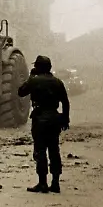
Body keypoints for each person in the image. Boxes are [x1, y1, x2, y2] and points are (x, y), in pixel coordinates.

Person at [18, 55, 70, 193]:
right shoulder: (58, 82)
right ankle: (55, 183)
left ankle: (42, 183)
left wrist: (30, 77)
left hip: (40, 118)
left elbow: (21, 92)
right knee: (54, 150)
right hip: (54, 118)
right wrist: (65, 119)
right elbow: (65, 102)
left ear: (38, 67)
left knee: (40, 150)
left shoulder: (34, 81)